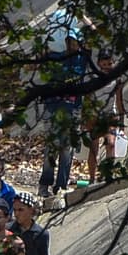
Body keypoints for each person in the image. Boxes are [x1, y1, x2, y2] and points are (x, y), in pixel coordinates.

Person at [38, 27, 87, 198]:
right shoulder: (56, 57)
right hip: (53, 108)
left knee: (67, 150)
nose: (71, 44)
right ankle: (44, 184)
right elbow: (43, 57)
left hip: (72, 110)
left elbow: (94, 35)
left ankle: (61, 185)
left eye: (74, 41)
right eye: (69, 41)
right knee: (51, 148)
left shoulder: (82, 58)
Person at [87, 49, 126, 183]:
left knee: (111, 144)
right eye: (104, 65)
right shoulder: (94, 79)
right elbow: (88, 100)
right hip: (95, 116)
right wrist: (86, 119)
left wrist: (122, 121)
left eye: (109, 64)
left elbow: (119, 101)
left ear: (113, 63)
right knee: (94, 148)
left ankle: (108, 174)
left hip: (110, 115)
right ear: (99, 64)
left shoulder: (117, 80)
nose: (107, 68)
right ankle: (92, 178)